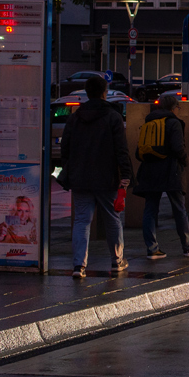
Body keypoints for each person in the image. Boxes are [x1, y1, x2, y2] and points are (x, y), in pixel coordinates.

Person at [61, 76, 133, 278]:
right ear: (105, 92)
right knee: (112, 219)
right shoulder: (112, 116)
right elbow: (121, 149)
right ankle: (117, 260)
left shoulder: (76, 116)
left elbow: (65, 146)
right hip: (106, 177)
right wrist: (125, 175)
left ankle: (78, 266)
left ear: (86, 92)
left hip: (80, 177)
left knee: (82, 221)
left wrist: (70, 168)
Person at [135, 95, 189, 260]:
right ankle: (187, 245)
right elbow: (177, 147)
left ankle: (152, 248)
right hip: (171, 170)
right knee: (179, 208)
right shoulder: (174, 123)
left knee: (150, 209)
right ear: (174, 108)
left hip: (150, 170)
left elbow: (139, 151)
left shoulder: (149, 122)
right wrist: (186, 161)